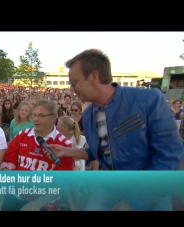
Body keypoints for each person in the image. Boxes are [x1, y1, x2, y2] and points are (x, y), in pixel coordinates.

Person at [46, 49, 184, 210]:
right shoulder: (90, 114)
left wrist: (135, 202)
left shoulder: (148, 100)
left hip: (151, 191)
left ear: (95, 77)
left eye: (75, 82)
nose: (71, 89)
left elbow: (170, 154)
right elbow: (102, 152)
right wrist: (66, 151)